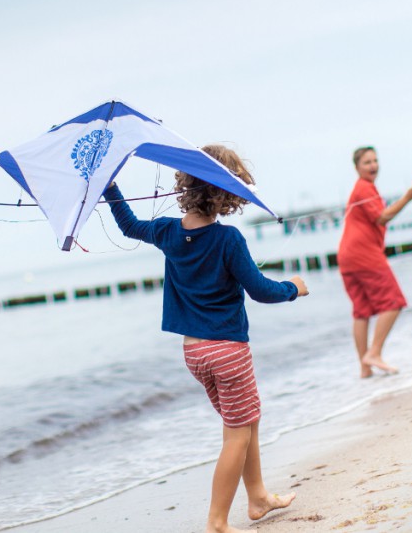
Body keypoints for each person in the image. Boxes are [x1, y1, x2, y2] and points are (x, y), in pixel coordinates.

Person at [103, 144, 308, 533]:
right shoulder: (228, 240)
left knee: (247, 420)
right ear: (227, 196)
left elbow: (129, 225)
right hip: (228, 350)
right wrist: (293, 287)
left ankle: (259, 496)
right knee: (237, 435)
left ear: (185, 186)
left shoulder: (167, 231)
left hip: (194, 353)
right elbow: (261, 291)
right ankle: (216, 521)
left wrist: (111, 188)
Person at [337, 146, 412, 378]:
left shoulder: (364, 188)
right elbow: (383, 217)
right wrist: (407, 197)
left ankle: (365, 369)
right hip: (363, 254)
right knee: (393, 302)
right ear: (357, 168)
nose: (373, 165)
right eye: (367, 162)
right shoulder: (363, 188)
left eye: (375, 161)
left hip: (347, 256)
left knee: (361, 311)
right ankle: (374, 353)